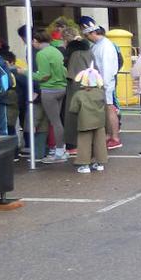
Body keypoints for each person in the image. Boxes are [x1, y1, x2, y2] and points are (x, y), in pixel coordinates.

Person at [78, 17, 123, 150]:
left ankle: (114, 137)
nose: (86, 38)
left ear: (92, 33)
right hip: (100, 83)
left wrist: (102, 85)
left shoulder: (105, 46)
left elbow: (107, 68)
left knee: (110, 109)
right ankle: (110, 135)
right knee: (107, 110)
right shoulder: (100, 45)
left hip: (104, 83)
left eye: (86, 35)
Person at [32, 29, 69, 163]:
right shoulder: (55, 51)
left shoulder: (41, 54)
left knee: (55, 122)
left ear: (36, 41)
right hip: (61, 87)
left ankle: (59, 152)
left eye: (33, 41)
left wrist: (26, 73)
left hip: (49, 90)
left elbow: (44, 75)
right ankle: (61, 149)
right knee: (57, 120)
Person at [66, 66, 108, 174]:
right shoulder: (101, 93)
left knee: (84, 143)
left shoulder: (79, 94)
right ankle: (100, 163)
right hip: (99, 122)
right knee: (100, 143)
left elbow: (73, 109)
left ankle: (85, 165)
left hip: (85, 122)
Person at [62, 28, 93, 154]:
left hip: (77, 87)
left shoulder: (76, 53)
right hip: (90, 85)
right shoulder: (88, 50)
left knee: (74, 116)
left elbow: (74, 75)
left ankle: (74, 145)